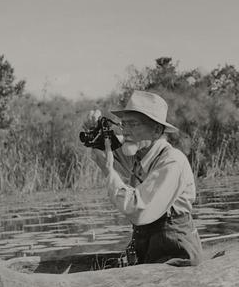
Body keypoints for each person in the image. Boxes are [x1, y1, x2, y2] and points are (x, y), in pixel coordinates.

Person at [87, 90, 203, 266]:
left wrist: (108, 170)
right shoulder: (138, 152)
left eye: (133, 124)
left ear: (156, 130)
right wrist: (92, 128)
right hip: (149, 251)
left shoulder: (172, 162)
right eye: (123, 124)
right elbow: (102, 150)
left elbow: (138, 211)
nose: (125, 131)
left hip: (178, 255)